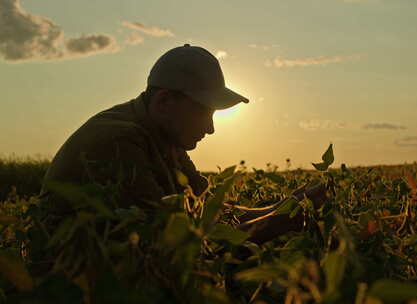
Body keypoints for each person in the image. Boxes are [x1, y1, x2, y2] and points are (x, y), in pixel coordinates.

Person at [39, 44, 326, 245]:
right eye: (204, 112)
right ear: (164, 102)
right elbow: (180, 248)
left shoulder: (164, 135)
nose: (210, 129)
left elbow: (211, 213)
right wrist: (280, 220)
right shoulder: (117, 141)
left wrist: (287, 205)